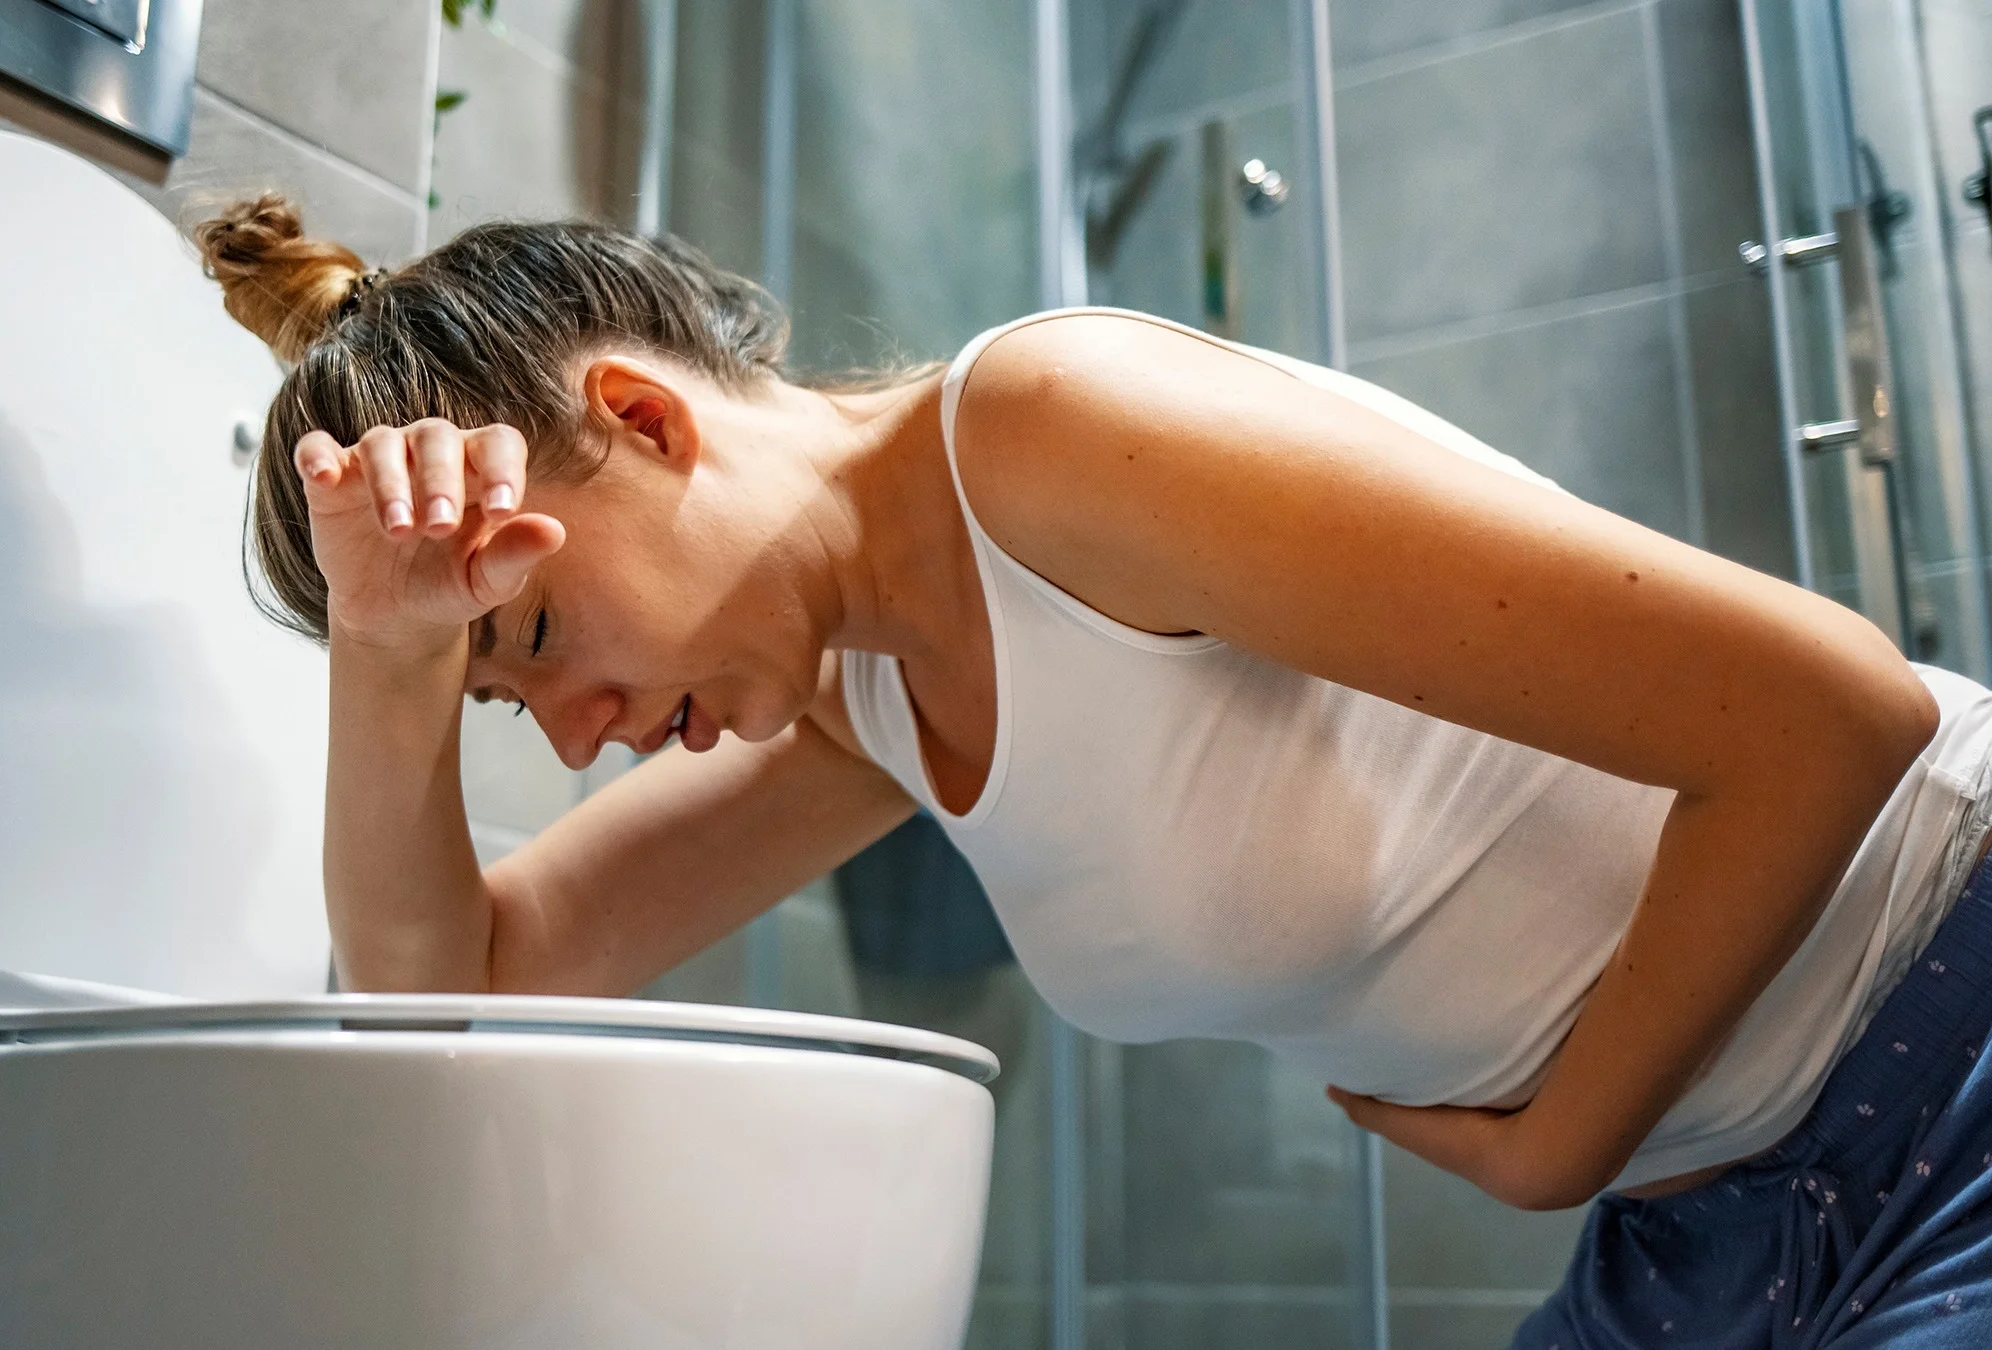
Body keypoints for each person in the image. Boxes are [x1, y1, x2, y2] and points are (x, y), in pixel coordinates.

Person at [191, 193, 1992, 1346]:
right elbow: (451, 987)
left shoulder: (1051, 443)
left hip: (1950, 1024)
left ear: (647, 421)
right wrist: (393, 651)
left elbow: (1828, 715)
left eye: (537, 636)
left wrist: (1560, 1146)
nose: (581, 734)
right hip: (1716, 1224)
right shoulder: (862, 697)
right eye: (514, 701)